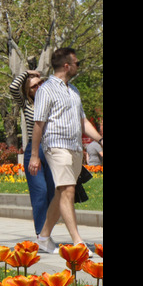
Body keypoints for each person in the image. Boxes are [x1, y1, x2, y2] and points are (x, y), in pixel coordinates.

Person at [28, 48, 103, 252]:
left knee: (62, 193)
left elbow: (83, 121)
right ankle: (78, 242)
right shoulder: (46, 89)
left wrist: (101, 139)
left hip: (75, 148)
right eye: (77, 63)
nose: (79, 66)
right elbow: (38, 124)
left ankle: (43, 238)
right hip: (56, 146)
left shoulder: (74, 90)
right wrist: (34, 155)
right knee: (68, 190)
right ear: (67, 65)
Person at [9, 68, 54, 237]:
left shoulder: (51, 101)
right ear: (28, 91)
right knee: (40, 192)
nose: (39, 87)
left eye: (41, 83)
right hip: (34, 151)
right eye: (34, 86)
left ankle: (46, 233)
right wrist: (27, 73)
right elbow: (13, 87)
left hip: (52, 150)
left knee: (53, 194)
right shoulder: (27, 104)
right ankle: (41, 235)